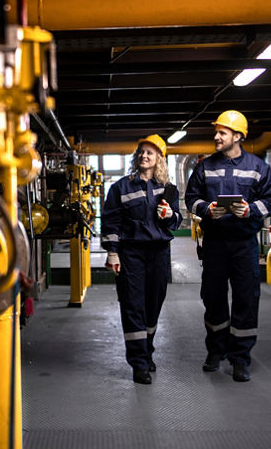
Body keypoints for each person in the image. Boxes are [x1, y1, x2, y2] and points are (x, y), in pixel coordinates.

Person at [185, 110, 271, 382]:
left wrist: (251, 211)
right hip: (215, 243)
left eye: (222, 132)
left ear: (238, 136)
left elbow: (269, 199)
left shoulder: (259, 167)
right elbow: (191, 198)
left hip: (245, 244)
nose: (216, 136)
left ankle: (240, 358)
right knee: (212, 297)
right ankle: (216, 350)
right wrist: (207, 209)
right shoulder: (205, 166)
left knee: (246, 298)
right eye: (217, 132)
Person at [101, 134, 182, 384]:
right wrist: (112, 252)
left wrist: (170, 214)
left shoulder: (168, 189)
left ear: (159, 158)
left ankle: (147, 350)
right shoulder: (121, 188)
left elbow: (177, 222)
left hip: (159, 253)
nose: (144, 156)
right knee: (133, 305)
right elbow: (111, 221)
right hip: (131, 253)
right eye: (141, 152)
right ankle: (138, 363)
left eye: (150, 152)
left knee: (154, 303)